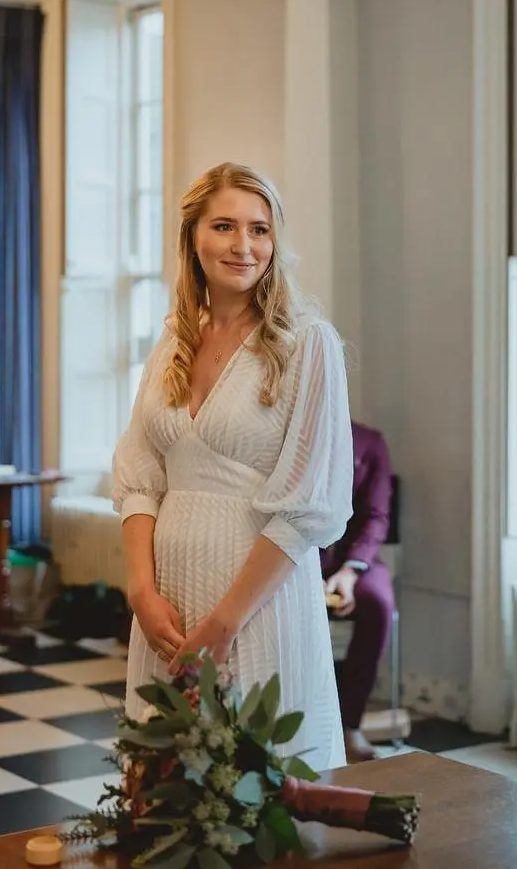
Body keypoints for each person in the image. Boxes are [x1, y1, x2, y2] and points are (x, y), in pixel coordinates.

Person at [113, 162, 354, 771]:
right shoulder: (172, 341)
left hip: (256, 608)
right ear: (193, 237)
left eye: (260, 229)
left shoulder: (307, 344)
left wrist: (224, 624)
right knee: (166, 788)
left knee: (256, 789)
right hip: (166, 601)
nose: (244, 246)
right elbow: (140, 478)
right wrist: (141, 590)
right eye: (224, 226)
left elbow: (308, 507)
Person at [321, 421, 395, 763]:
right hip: (300, 555)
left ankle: (350, 724)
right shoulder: (290, 434)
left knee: (379, 605)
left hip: (354, 558)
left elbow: (376, 517)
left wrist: (350, 572)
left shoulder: (371, 441)